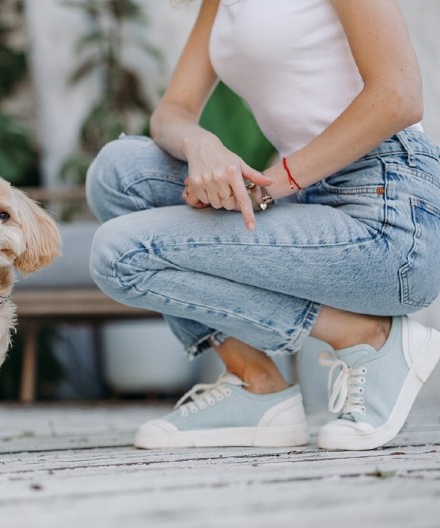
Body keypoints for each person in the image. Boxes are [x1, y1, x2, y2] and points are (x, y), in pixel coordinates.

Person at [86, 0, 440, 451]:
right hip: (306, 196)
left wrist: (272, 185)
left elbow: (400, 95)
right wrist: (200, 143)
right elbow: (173, 108)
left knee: (121, 256)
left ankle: (369, 337)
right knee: (120, 172)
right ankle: (255, 383)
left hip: (389, 211)